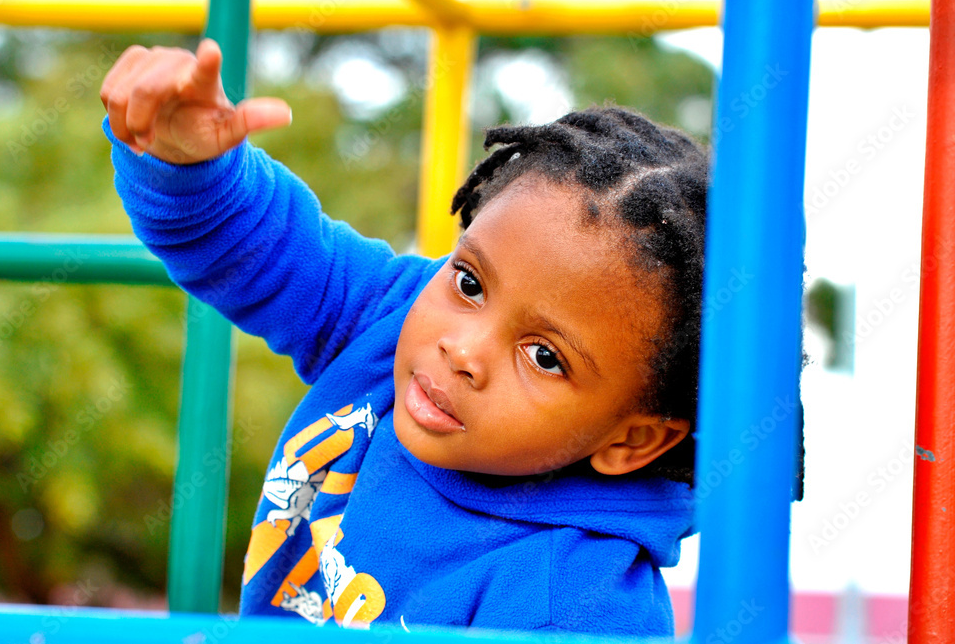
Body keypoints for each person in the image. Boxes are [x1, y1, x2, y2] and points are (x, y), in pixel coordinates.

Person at [100, 39, 708, 637]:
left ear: (632, 440)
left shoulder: (572, 605)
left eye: (544, 357)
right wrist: (186, 163)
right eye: (470, 282)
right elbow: (254, 243)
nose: (463, 350)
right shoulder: (392, 318)